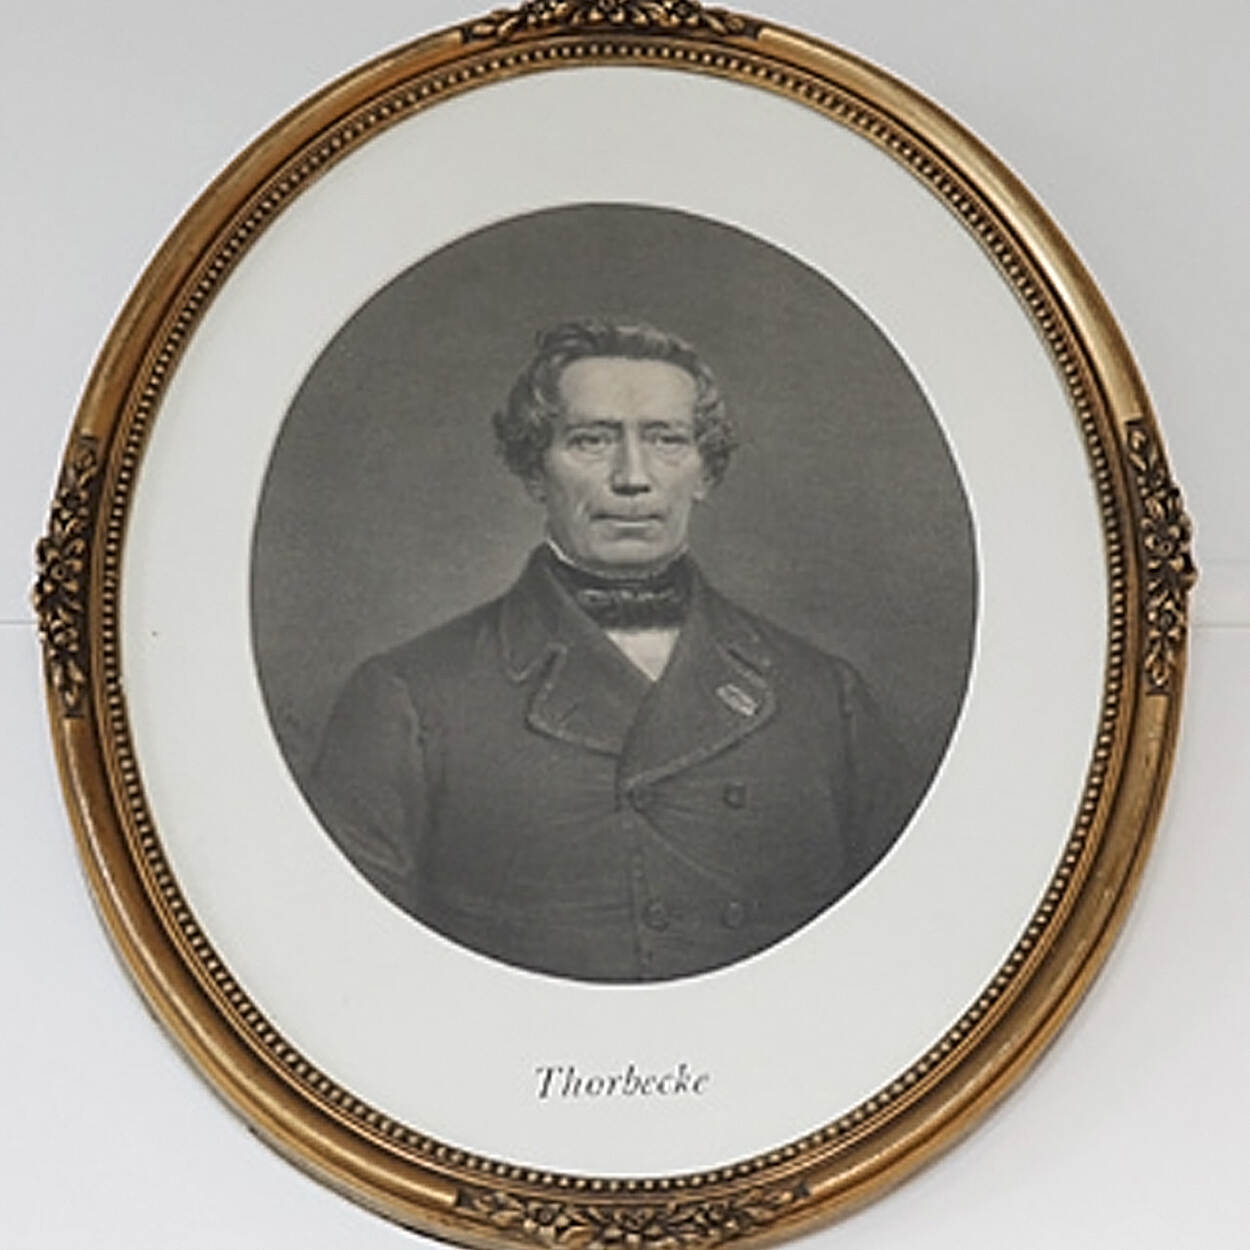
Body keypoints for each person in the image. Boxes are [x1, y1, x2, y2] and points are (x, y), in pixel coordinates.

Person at [308, 319, 913, 982]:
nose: (633, 477)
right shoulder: (409, 699)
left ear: (706, 470)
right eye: (591, 441)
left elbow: (896, 952)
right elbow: (357, 974)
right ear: (534, 469)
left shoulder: (825, 697)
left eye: (666, 440)